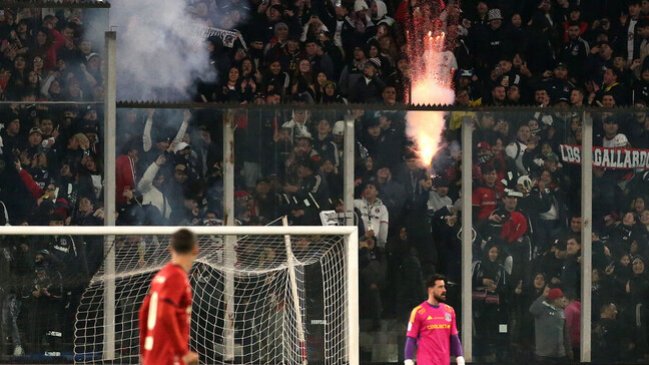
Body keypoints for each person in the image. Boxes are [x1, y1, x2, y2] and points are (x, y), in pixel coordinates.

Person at [138, 228, 200, 365]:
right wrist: (183, 352)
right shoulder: (176, 277)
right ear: (196, 249)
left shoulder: (161, 275)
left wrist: (144, 352)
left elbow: (143, 312)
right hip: (169, 357)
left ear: (170, 249)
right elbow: (165, 313)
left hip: (153, 356)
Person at [404, 274, 465, 365]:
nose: (444, 290)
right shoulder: (418, 312)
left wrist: (460, 357)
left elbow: (454, 337)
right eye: (440, 287)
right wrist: (408, 360)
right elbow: (411, 338)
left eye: (444, 287)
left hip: (444, 362)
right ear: (430, 289)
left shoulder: (449, 311)